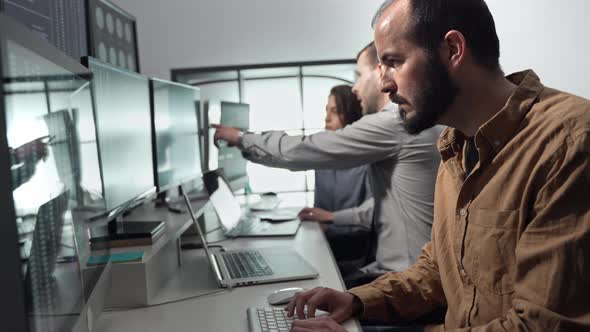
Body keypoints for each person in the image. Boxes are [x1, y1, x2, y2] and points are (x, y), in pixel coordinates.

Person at [285, 0, 590, 331]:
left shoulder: (568, 143)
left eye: (394, 62)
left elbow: (540, 325)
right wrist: (359, 300)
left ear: (452, 49)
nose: (385, 84)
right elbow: (439, 270)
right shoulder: (454, 146)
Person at [213, 42, 442, 287]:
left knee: (302, 297)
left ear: (379, 73)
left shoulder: (395, 122)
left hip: (407, 282)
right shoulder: (408, 122)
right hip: (400, 273)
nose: (354, 88)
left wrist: (240, 138)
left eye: (359, 76)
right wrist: (333, 216)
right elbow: (385, 205)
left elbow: (305, 149)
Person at [304, 84, 371, 221]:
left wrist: (329, 222)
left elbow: (372, 217)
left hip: (358, 240)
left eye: (334, 111)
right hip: (323, 238)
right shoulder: (321, 160)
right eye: (326, 111)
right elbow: (319, 210)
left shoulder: (368, 161)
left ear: (350, 114)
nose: (327, 118)